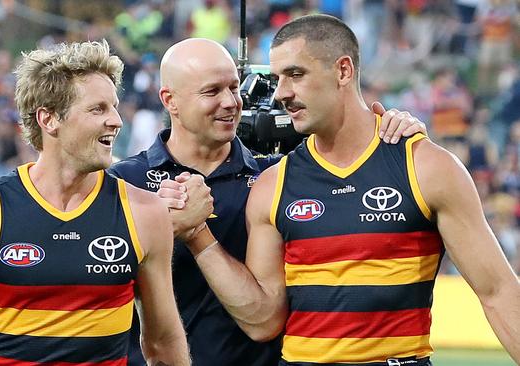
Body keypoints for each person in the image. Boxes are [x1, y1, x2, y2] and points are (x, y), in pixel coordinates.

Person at [177, 15, 520, 365]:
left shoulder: (426, 166)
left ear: (343, 71)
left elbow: (498, 291)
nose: (281, 93)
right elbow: (264, 320)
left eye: (295, 74)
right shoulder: (273, 185)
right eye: (278, 78)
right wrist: (198, 235)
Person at [109, 37, 428, 366]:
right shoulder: (124, 183)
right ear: (169, 100)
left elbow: (364, 182)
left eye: (234, 88)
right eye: (212, 91)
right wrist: (155, 227)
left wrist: (399, 136)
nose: (231, 102)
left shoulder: (278, 178)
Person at [0, 41, 190, 365]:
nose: (116, 120)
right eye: (98, 109)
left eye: (114, 106)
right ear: (49, 118)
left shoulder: (143, 212)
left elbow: (162, 340)